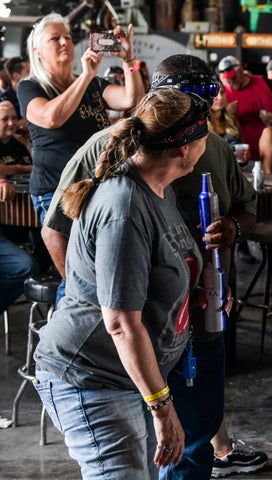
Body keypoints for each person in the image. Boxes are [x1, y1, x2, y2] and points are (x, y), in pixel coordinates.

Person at [41, 54, 266, 479]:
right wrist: (98, 293)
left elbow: (220, 225)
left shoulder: (157, 182)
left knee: (186, 445)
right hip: (106, 362)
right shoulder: (121, 188)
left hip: (169, 339)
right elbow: (118, 319)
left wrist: (195, 285)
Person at [32, 88, 207, 478]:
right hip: (92, 379)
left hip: (128, 378)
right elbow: (120, 323)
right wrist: (162, 407)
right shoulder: (124, 208)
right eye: (204, 137)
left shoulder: (155, 188)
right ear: (183, 148)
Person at [17, 13, 143, 224]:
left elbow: (133, 98)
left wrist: (129, 60)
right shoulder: (29, 87)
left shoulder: (93, 84)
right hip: (57, 191)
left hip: (96, 186)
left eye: (67, 37)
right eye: (55, 39)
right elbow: (51, 118)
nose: (65, 42)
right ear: (37, 52)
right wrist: (85, 76)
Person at [0, 99, 38, 316]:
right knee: (26, 266)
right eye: (5, 119)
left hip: (24, 219)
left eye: (14, 118)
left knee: (49, 250)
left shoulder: (17, 143)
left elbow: (37, 167)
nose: (11, 123)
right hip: (5, 222)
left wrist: (30, 140)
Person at [217, 55, 272, 161]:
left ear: (241, 70)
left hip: (269, 151)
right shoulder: (222, 94)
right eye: (227, 79)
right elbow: (216, 124)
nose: (230, 82)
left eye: (233, 77)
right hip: (241, 153)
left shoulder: (265, 83)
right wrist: (227, 113)